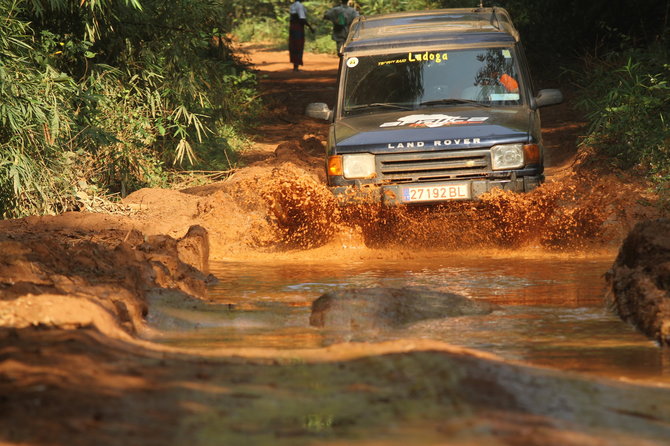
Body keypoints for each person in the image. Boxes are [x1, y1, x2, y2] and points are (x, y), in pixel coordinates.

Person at [288, 0, 314, 71]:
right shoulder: (299, 5)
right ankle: (296, 66)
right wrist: (310, 27)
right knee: (298, 45)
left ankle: (295, 65)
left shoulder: (293, 5)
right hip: (298, 28)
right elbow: (302, 18)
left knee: (293, 45)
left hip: (293, 27)